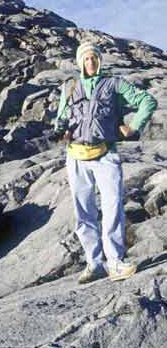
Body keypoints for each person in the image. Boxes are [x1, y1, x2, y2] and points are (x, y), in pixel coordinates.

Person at [54, 41, 157, 283]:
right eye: (86, 59)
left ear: (99, 60)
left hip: (106, 154)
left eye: (94, 58)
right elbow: (60, 118)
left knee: (112, 208)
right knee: (83, 212)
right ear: (80, 62)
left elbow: (147, 102)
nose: (90, 63)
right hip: (76, 156)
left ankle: (116, 262)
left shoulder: (114, 83)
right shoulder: (69, 87)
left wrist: (134, 127)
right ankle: (94, 263)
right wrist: (62, 131)